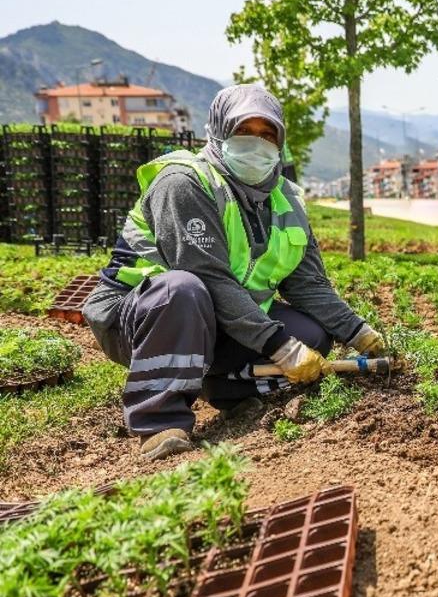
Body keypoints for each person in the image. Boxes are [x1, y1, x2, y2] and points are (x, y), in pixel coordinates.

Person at [83, 84, 385, 460]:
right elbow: (207, 278)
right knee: (183, 288)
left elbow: (308, 285)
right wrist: (279, 346)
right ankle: (160, 420)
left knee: (311, 334)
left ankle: (224, 390)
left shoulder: (286, 199)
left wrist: (361, 334)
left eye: (266, 134)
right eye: (244, 131)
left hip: (216, 318)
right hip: (141, 317)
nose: (256, 144)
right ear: (220, 131)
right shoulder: (184, 183)